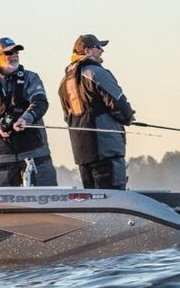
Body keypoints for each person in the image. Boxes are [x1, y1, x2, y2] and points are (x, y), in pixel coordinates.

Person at [0, 37, 59, 186]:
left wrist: (25, 119)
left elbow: (40, 102)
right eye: (9, 53)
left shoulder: (31, 78)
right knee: (3, 201)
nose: (14, 55)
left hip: (35, 153)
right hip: (3, 157)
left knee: (46, 196)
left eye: (16, 51)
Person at [58, 34, 135, 189]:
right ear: (87, 51)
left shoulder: (64, 82)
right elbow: (118, 103)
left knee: (93, 200)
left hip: (82, 153)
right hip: (106, 149)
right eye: (98, 47)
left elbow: (67, 117)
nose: (102, 51)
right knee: (113, 197)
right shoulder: (97, 73)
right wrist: (129, 117)